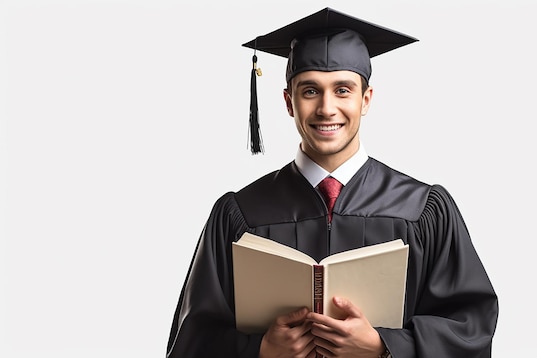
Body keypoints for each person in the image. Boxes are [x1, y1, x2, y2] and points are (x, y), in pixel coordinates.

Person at [166, 7, 498, 358]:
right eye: (310, 91)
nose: (327, 108)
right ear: (288, 102)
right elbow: (190, 343)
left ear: (365, 99)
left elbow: (472, 329)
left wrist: (383, 347)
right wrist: (260, 351)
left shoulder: (422, 208)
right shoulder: (240, 214)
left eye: (342, 90)